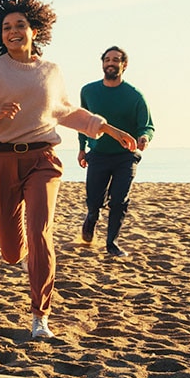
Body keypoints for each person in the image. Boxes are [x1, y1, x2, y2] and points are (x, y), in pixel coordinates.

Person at [0, 0, 136, 340]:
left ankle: (40, 315)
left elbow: (67, 112)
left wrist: (108, 128)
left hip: (43, 159)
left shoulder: (50, 71)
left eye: (20, 25)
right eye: (7, 27)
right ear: (0, 34)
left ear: (34, 31)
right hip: (0, 161)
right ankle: (22, 257)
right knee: (11, 250)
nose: (13, 31)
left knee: (41, 232)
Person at [78, 46, 154, 257]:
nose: (110, 63)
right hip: (98, 155)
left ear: (124, 65)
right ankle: (92, 217)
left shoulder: (134, 95)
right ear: (102, 63)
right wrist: (81, 149)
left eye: (116, 60)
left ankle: (112, 243)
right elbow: (83, 123)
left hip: (125, 157)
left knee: (119, 200)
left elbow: (147, 125)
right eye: (107, 59)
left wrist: (144, 137)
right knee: (94, 202)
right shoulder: (88, 91)